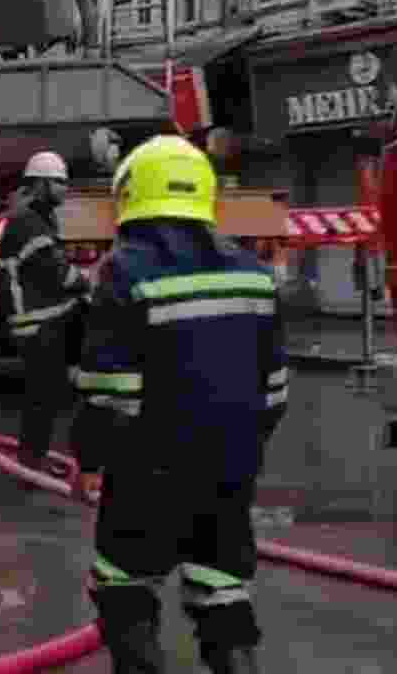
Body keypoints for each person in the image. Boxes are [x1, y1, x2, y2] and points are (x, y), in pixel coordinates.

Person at [70, 135, 288, 674]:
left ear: (130, 193)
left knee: (124, 586)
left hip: (150, 469)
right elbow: (275, 392)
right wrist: (238, 449)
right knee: (222, 591)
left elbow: (108, 393)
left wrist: (89, 460)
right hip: (231, 468)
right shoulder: (253, 274)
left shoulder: (124, 271)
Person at [0, 151, 91, 473]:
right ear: (39, 185)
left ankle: (34, 457)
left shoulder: (40, 218)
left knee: (47, 395)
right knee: (42, 397)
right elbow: (60, 275)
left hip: (47, 319)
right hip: (35, 324)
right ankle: (31, 462)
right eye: (58, 183)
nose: (65, 189)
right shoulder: (29, 223)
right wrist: (88, 280)